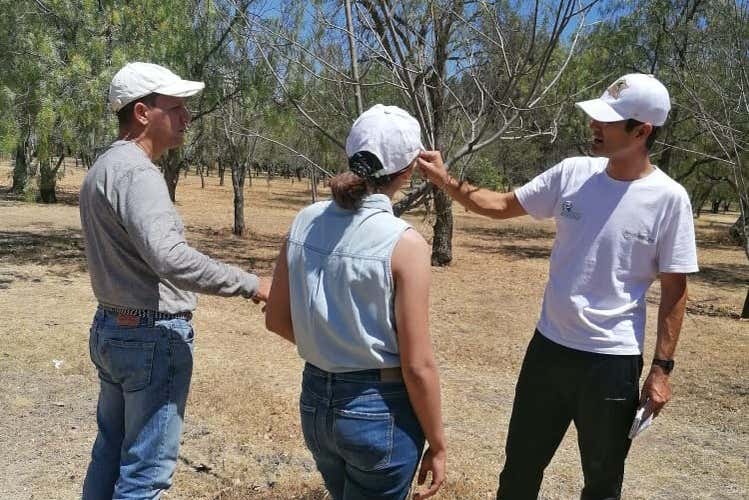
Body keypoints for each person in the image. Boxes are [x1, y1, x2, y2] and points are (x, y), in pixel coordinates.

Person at [416, 74, 699, 499]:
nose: (594, 127)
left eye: (607, 122)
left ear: (642, 132)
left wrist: (662, 369)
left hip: (611, 363)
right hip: (548, 351)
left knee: (602, 484)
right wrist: (444, 179)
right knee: (518, 474)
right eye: (596, 118)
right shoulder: (573, 173)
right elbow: (497, 205)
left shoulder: (669, 199)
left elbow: (675, 289)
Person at [79, 62, 270, 499]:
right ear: (143, 113)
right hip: (150, 336)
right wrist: (250, 282)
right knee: (145, 474)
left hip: (112, 329)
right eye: (177, 107)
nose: (187, 118)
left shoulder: (102, 169)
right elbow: (170, 257)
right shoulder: (139, 174)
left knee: (109, 453)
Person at [264, 104, 446, 500]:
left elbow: (276, 319)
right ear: (410, 169)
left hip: (315, 403)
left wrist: (332, 346)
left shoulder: (304, 221)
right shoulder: (405, 243)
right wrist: (438, 443)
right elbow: (417, 365)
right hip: (379, 410)